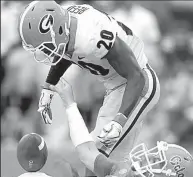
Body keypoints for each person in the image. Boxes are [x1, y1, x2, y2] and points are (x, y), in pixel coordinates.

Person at [18, 1, 160, 167]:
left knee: (94, 156)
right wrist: (48, 88)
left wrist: (119, 121)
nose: (46, 52)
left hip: (137, 86)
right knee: (111, 163)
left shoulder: (91, 35)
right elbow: (65, 52)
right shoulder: (66, 25)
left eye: (47, 46)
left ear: (59, 30)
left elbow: (136, 76)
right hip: (116, 87)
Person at [50, 78, 193, 177]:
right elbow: (87, 151)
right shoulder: (126, 171)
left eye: (155, 160)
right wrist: (69, 103)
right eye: (154, 154)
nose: (147, 157)